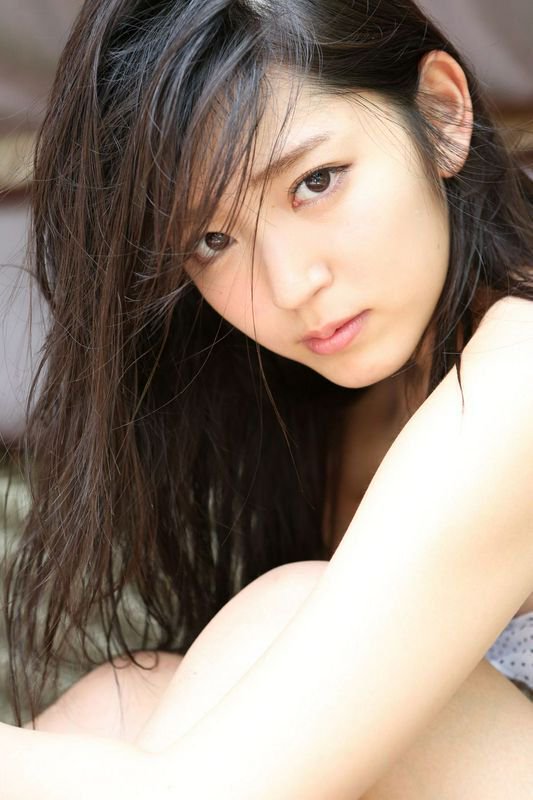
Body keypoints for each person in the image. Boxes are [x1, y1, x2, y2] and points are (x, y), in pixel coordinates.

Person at [1, 0, 533, 796]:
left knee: (279, 615)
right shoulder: (329, 418)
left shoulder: (517, 377)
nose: (289, 285)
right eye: (211, 241)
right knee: (121, 702)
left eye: (315, 182)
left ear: (440, 114)